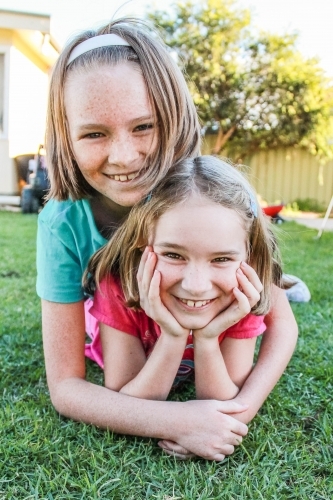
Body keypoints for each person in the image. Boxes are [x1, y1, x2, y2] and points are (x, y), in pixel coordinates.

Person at [37, 17, 298, 461]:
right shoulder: (61, 223)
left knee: (243, 290)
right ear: (66, 138)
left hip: (208, 313)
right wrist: (180, 422)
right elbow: (66, 387)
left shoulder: (217, 198)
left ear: (173, 115)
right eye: (94, 133)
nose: (124, 157)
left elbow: (282, 327)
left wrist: (236, 414)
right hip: (121, 317)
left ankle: (284, 280)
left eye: (144, 127)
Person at [84, 156, 289, 409]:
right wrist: (172, 335)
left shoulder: (242, 293)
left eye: (221, 258)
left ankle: (288, 284)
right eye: (173, 255)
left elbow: (223, 404)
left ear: (249, 257)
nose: (196, 285)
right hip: (104, 317)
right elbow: (128, 404)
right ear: (141, 241)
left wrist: (207, 338)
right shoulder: (117, 287)